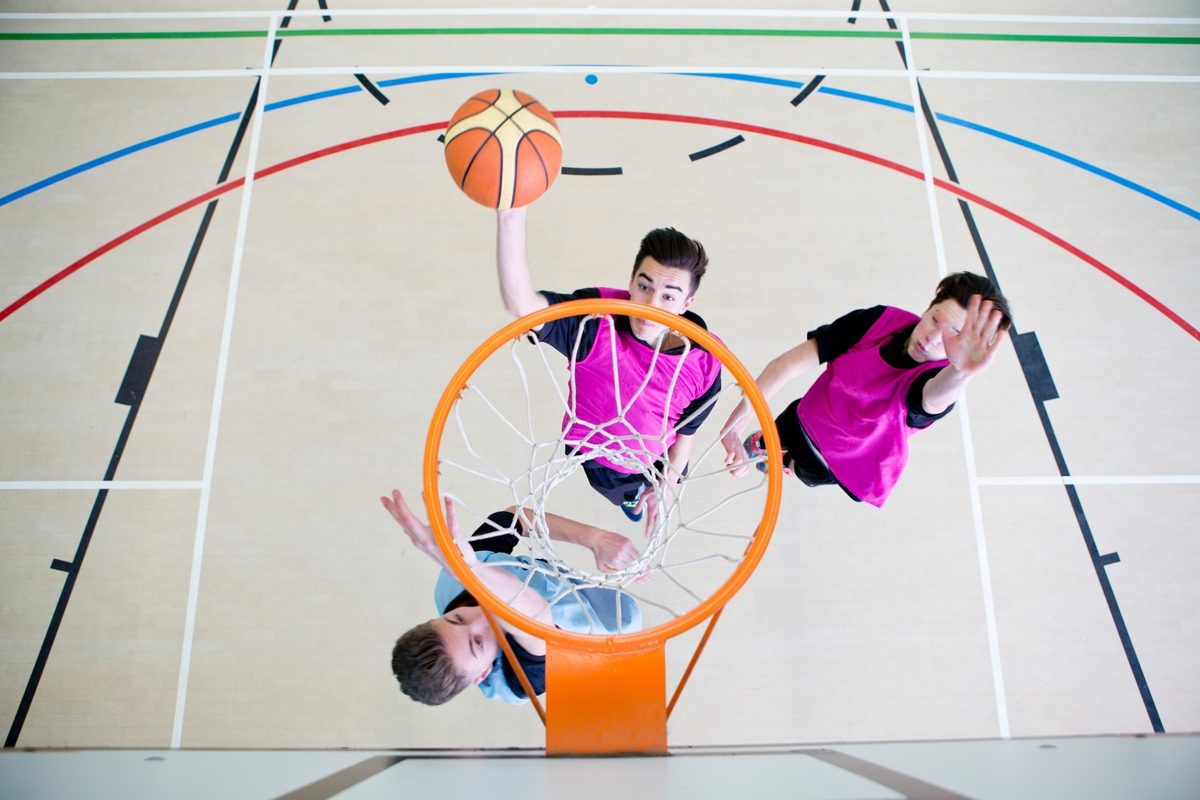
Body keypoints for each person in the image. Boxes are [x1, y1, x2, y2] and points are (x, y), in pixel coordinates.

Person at [495, 206, 722, 526]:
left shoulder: (706, 364)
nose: (650, 307)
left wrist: (668, 484)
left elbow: (687, 432)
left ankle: (657, 489)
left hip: (662, 458)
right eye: (644, 287)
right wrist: (510, 217)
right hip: (605, 463)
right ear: (630, 282)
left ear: (686, 304)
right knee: (630, 500)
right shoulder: (595, 322)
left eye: (668, 297)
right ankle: (632, 502)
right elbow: (521, 304)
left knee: (669, 482)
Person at [721, 272, 1013, 508]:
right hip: (806, 416)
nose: (934, 336)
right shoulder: (879, 321)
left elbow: (932, 400)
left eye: (953, 335)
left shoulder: (937, 380)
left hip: (843, 461)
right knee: (776, 434)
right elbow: (786, 364)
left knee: (806, 473)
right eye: (936, 319)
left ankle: (785, 464)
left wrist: (961, 371)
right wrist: (737, 423)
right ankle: (767, 446)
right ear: (928, 307)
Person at [381, 489, 642, 705]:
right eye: (478, 643)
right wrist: (470, 569)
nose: (481, 618)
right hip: (611, 622)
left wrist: (595, 538)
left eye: (458, 618)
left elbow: (511, 519)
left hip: (554, 579)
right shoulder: (515, 680)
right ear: (483, 672)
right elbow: (537, 615)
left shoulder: (449, 584)